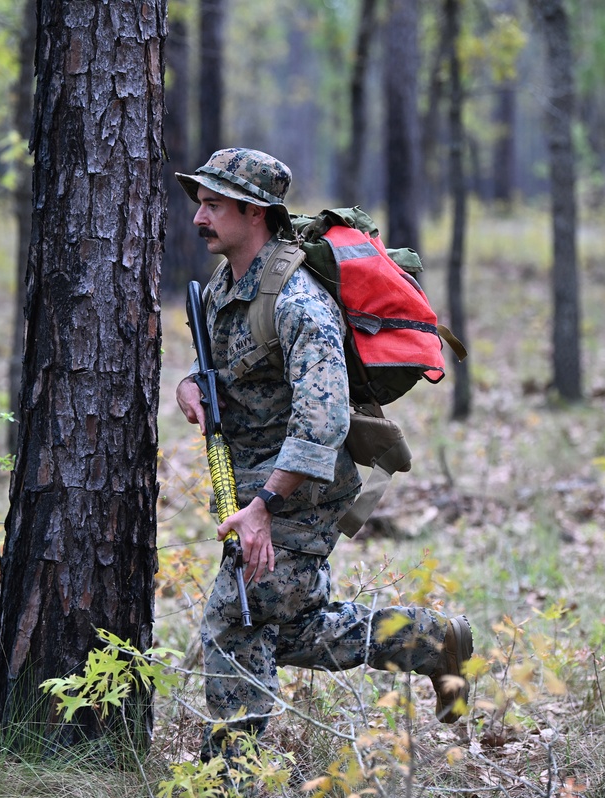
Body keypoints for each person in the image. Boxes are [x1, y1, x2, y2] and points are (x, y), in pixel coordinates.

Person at [174, 148, 473, 762]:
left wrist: (263, 506)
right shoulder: (225, 286)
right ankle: (431, 641)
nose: (199, 218)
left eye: (213, 205)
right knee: (289, 628)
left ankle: (227, 778)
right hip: (253, 482)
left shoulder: (298, 301)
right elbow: (231, 374)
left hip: (297, 489)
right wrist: (190, 386)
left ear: (254, 213)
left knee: (235, 620)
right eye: (199, 204)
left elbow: (325, 419)